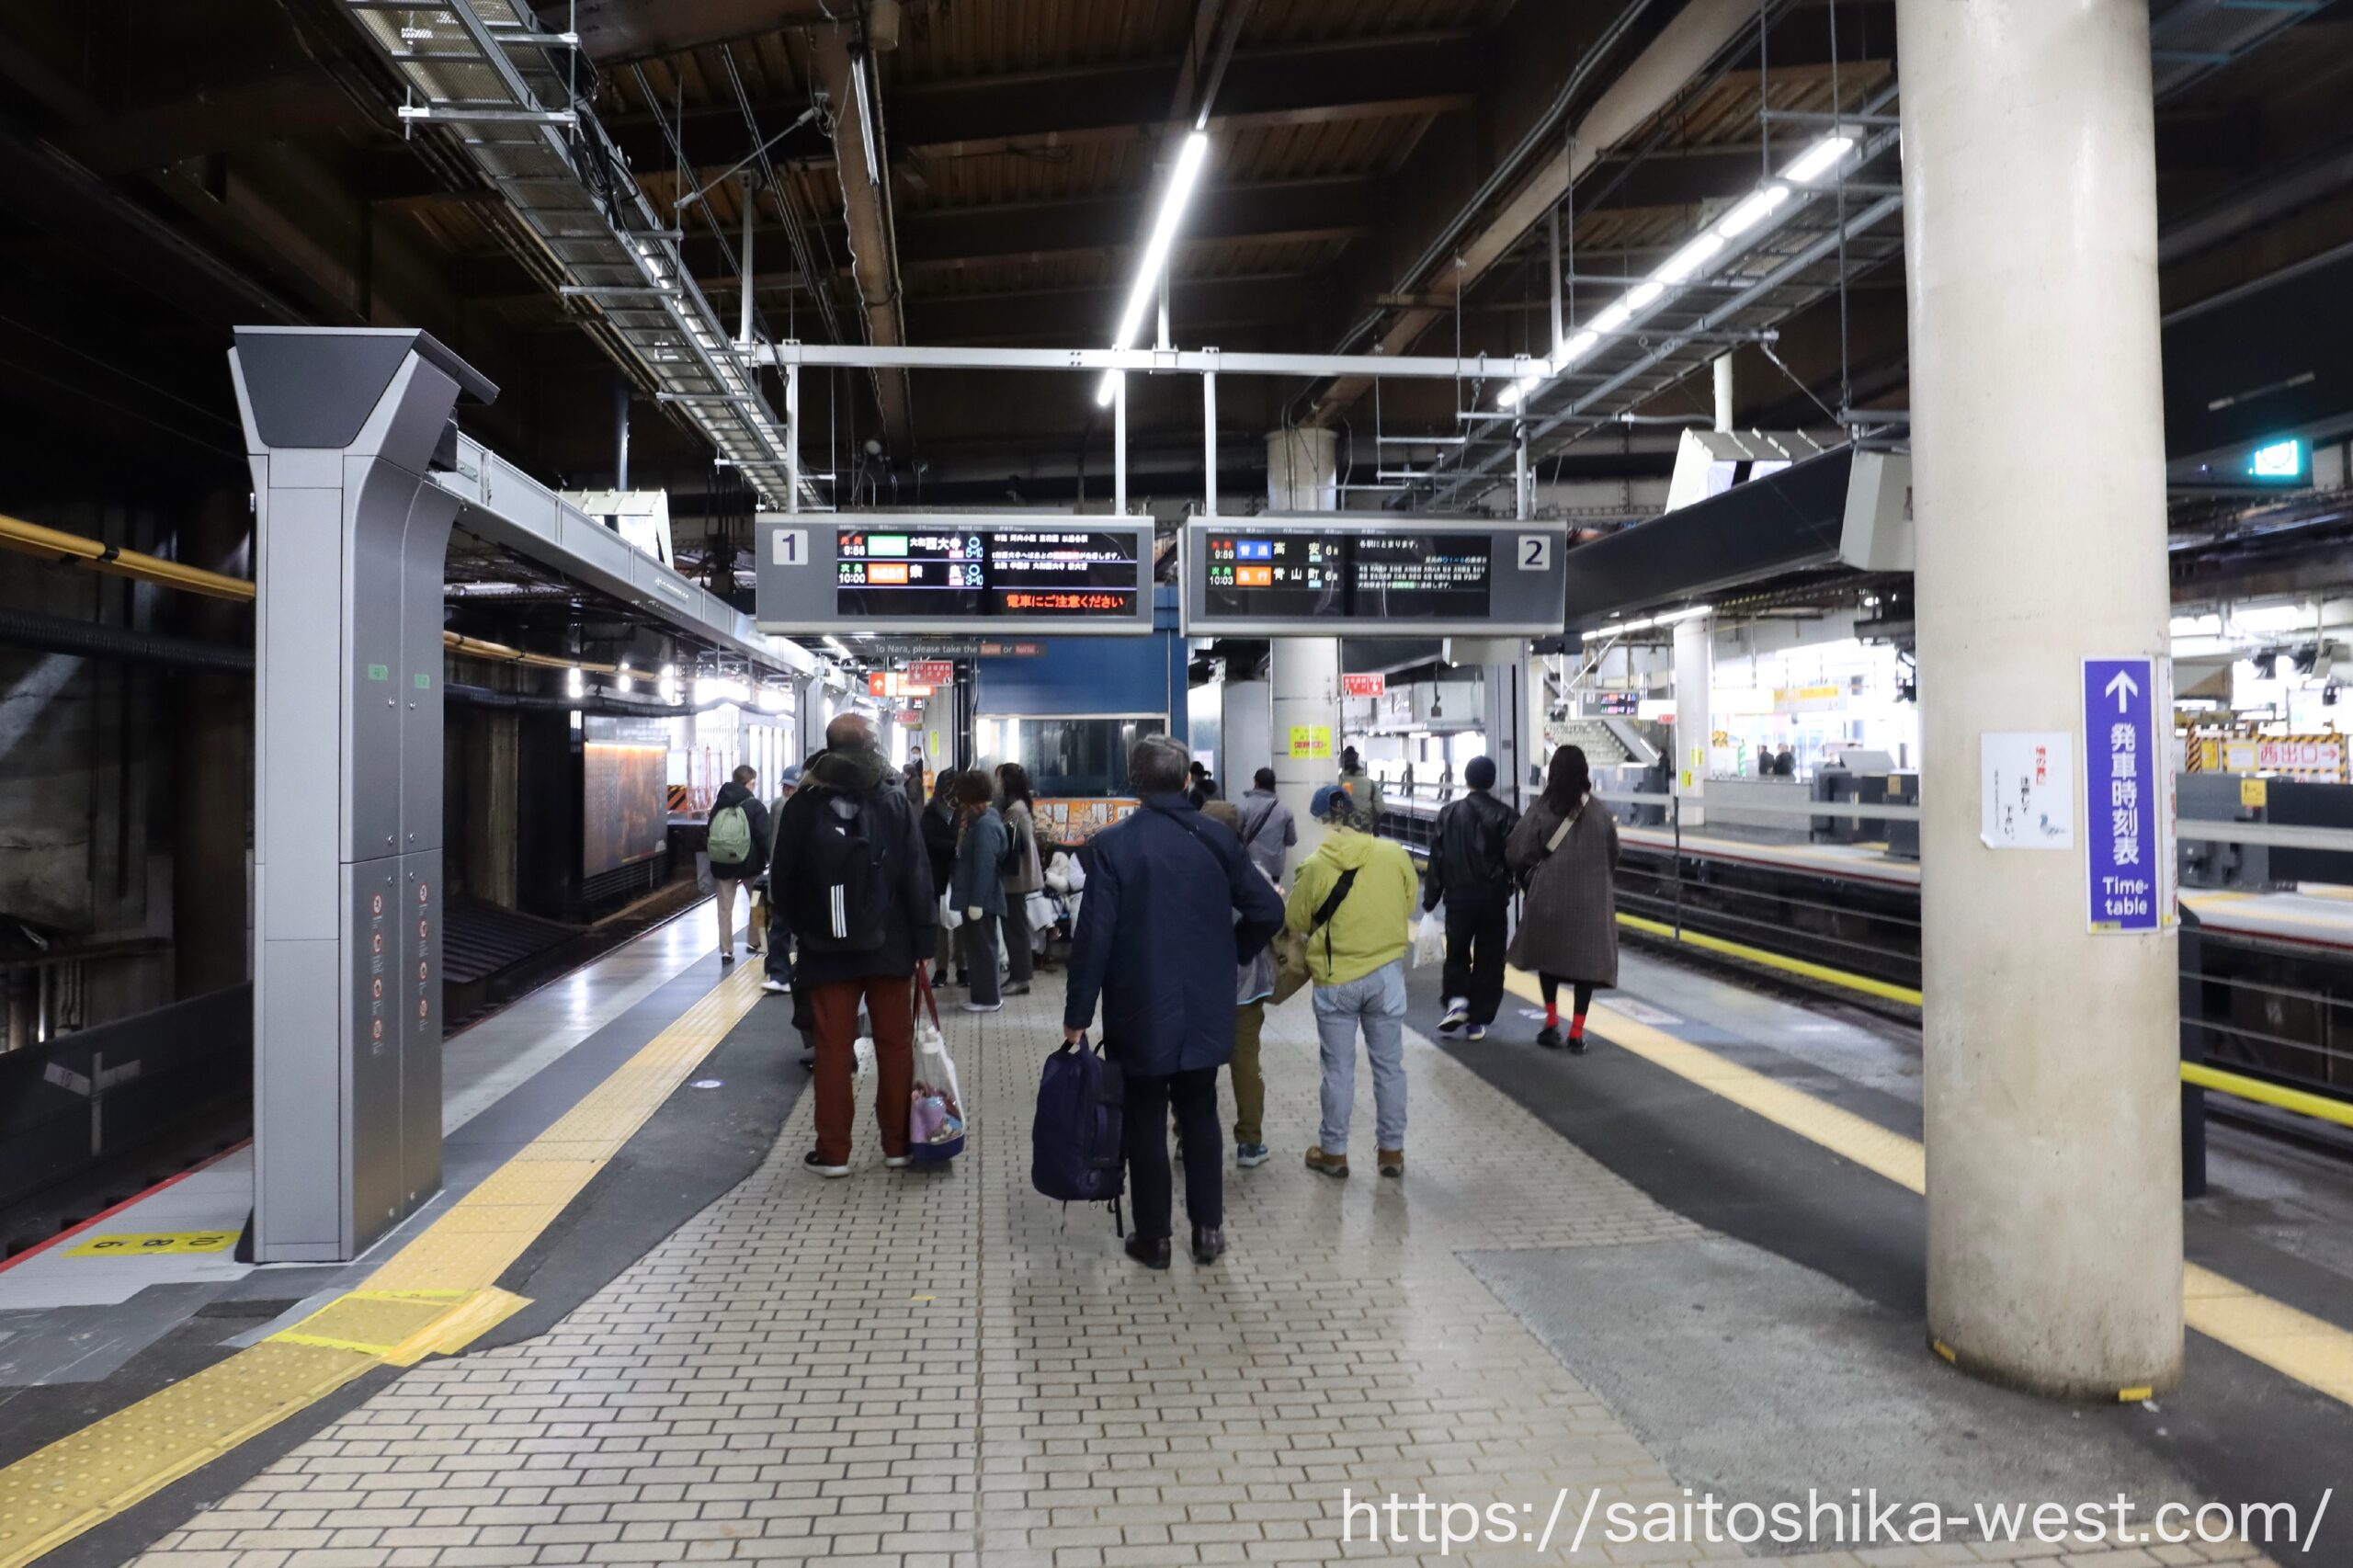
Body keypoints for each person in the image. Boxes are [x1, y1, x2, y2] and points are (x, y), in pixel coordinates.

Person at [1063, 734, 1283, 1268]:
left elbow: (1094, 939)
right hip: (1206, 1007)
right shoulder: (1218, 838)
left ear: (1134, 782)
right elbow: (1269, 912)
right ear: (1187, 780)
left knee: (1144, 1119)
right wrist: (1233, 952)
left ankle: (1155, 1239)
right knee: (1201, 1111)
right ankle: (1208, 1233)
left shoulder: (1113, 845)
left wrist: (1077, 1017)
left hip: (1137, 1007)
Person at [770, 713, 935, 1176]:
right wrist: (925, 940)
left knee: (833, 1050)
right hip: (890, 946)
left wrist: (808, 929)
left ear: (830, 746)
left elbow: (782, 881)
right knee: (895, 1047)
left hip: (825, 951)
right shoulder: (893, 798)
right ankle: (898, 1146)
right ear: (869, 745)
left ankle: (834, 1153)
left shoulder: (804, 803)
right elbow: (917, 875)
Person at [1286, 781, 1420, 1179]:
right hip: (1386, 976)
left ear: (1320, 821)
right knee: (1390, 1067)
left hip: (1336, 979)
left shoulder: (1314, 865)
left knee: (1338, 1070)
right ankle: (1391, 1151)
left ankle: (1334, 1153)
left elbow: (1295, 920)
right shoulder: (1394, 855)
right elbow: (1408, 902)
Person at [1506, 744, 1621, 1052]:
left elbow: (1517, 850)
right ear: (1585, 772)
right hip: (1592, 905)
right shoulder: (1601, 813)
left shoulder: (1543, 808)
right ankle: (1577, 1033)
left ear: (1553, 772)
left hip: (1549, 900)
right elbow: (1614, 855)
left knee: (1550, 959)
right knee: (1586, 966)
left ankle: (1551, 1022)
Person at [1421, 755, 1519, 1040]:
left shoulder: (1449, 813)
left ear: (1467, 780)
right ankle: (1477, 1020)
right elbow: (1516, 858)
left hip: (1458, 898)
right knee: (1490, 959)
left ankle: (1457, 1002)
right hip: (1493, 900)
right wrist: (1514, 887)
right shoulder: (1507, 815)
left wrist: (1430, 899)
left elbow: (1437, 858)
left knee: (1457, 952)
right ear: (1492, 781)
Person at [1202, 800, 1275, 1167]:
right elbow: (1272, 914)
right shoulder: (1253, 872)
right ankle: (1249, 1143)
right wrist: (1243, 948)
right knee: (1245, 1063)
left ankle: (1188, 1136)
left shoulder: (1187, 868)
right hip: (1245, 987)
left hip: (1199, 986)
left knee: (1196, 1064)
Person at [950, 772, 1009, 1013]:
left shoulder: (984, 825)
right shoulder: (981, 819)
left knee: (982, 949)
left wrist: (976, 902)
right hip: (979, 896)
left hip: (981, 900)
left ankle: (987, 999)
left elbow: (984, 866)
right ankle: (983, 997)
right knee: (979, 948)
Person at [706, 765, 770, 963]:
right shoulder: (755, 806)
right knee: (758, 903)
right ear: (749, 783)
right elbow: (764, 837)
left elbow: (710, 832)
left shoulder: (719, 805)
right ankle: (756, 941)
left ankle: (726, 950)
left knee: (724, 908)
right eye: (753, 783)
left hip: (723, 864)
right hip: (750, 864)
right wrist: (771, 858)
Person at [995, 762, 1045, 994]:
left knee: (1015, 928)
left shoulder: (1014, 810)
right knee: (1016, 925)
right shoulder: (1020, 806)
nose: (996, 784)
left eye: (998, 779)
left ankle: (1021, 978)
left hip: (1017, 876)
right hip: (1020, 875)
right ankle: (1019, 976)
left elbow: (1011, 845)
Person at [760, 764, 804, 996]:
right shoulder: (778, 807)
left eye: (792, 788)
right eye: (786, 788)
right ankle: (779, 975)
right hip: (782, 878)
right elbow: (771, 843)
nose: (788, 792)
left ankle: (796, 973)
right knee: (779, 928)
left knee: (802, 932)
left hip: (802, 880)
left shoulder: (809, 808)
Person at [922, 768, 962, 986]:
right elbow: (926, 839)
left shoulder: (964, 811)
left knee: (961, 923)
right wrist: (953, 846)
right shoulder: (930, 812)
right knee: (939, 924)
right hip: (937, 872)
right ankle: (941, 968)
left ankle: (963, 967)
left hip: (958, 872)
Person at [1234, 767, 1297, 887]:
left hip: (1250, 865)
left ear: (1256, 783)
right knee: (1272, 895)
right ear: (1274, 785)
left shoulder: (1243, 806)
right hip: (1274, 868)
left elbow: (1236, 835)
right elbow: (1291, 840)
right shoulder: (1285, 810)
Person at [1337, 745, 1386, 821]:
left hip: (1342, 826)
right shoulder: (1371, 784)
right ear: (1358, 763)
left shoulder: (1337, 783)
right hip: (1365, 826)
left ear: (1341, 764)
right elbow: (1380, 809)